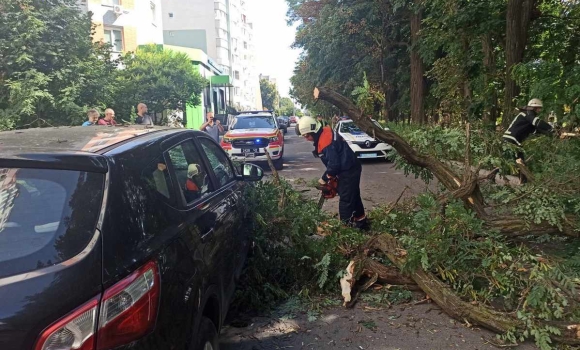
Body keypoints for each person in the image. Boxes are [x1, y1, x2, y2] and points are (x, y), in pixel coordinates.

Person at [298, 116, 369, 230]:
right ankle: (362, 223)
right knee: (353, 196)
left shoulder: (325, 141)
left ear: (313, 131)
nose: (307, 139)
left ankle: (346, 229)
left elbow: (334, 165)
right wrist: (331, 177)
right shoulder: (324, 133)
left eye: (307, 135)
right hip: (348, 167)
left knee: (346, 199)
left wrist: (324, 178)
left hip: (348, 169)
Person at [502, 98, 554, 182]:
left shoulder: (527, 118)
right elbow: (538, 123)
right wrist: (551, 129)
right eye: (538, 108)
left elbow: (536, 130)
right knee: (518, 161)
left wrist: (551, 134)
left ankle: (523, 181)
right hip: (511, 140)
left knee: (516, 161)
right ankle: (523, 182)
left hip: (511, 140)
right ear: (534, 108)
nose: (539, 110)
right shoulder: (527, 114)